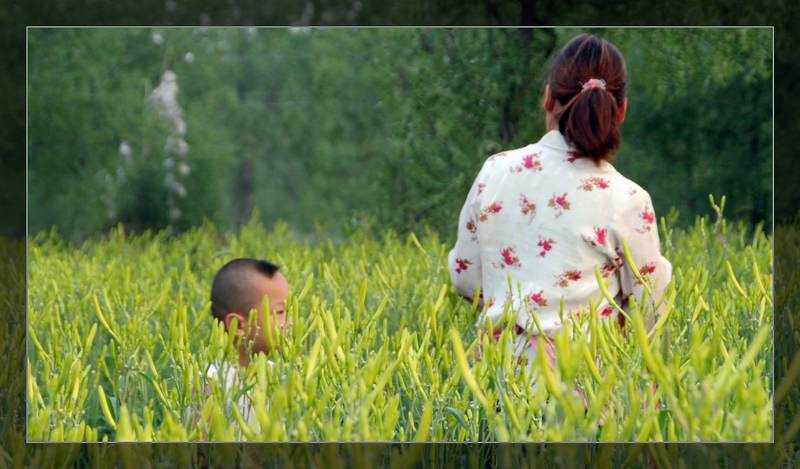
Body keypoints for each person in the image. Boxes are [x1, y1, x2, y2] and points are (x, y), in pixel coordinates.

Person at [448, 34, 672, 379]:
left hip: (495, 377)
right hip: (583, 385)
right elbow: (649, 304)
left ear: (548, 98)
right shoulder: (627, 198)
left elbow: (465, 276)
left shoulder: (496, 170)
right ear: (622, 110)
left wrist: (514, 305)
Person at [201, 258, 291, 434]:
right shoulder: (211, 383)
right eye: (280, 312)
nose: (289, 321)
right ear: (238, 325)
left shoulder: (282, 375)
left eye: (290, 310)